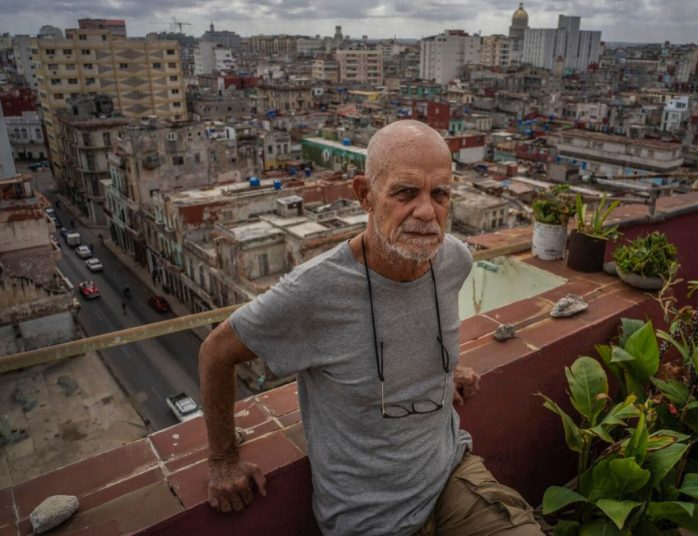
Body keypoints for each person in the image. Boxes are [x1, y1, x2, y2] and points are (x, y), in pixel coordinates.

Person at [199, 120, 542, 535]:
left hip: (451, 477)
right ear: (365, 195)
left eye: (440, 193)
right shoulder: (314, 291)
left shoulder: (455, 261)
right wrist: (222, 460)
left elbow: (414, 331)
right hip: (370, 519)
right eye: (405, 192)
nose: (426, 211)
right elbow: (216, 351)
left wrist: (441, 374)